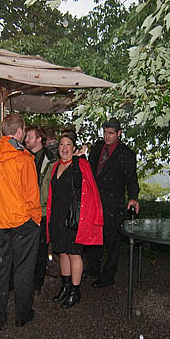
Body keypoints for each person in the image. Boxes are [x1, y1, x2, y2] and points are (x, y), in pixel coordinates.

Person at [0, 113, 41, 332]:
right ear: (20, 131)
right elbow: (33, 195)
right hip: (23, 221)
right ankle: (22, 315)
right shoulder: (24, 158)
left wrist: (0, 196)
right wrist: (36, 219)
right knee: (23, 270)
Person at [47, 130, 103, 308]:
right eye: (62, 144)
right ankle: (65, 286)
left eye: (68, 144)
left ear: (74, 148)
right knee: (62, 252)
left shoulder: (80, 164)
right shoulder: (56, 166)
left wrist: (79, 159)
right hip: (57, 217)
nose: (64, 148)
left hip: (74, 219)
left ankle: (75, 290)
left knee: (74, 253)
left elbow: (91, 191)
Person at [85, 117, 140, 288]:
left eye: (110, 133)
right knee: (94, 235)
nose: (107, 136)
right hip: (95, 201)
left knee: (112, 240)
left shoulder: (126, 154)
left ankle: (108, 275)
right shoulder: (97, 148)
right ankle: (93, 267)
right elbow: (89, 170)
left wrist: (133, 197)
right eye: (105, 133)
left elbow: (132, 179)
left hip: (113, 203)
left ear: (119, 133)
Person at [24, 125, 57, 294]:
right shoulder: (22, 157)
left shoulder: (51, 159)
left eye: (29, 136)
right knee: (26, 248)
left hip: (43, 211)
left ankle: (37, 283)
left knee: (42, 248)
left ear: (39, 139)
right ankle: (25, 281)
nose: (25, 139)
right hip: (25, 211)